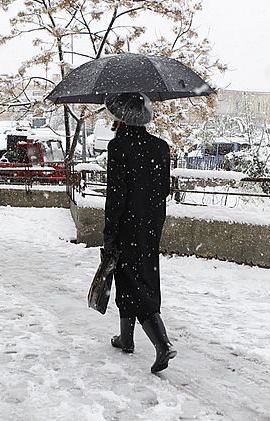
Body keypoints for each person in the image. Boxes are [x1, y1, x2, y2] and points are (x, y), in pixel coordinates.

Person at [102, 92, 176, 373]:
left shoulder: (119, 146)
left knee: (132, 282)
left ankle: (162, 344)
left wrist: (110, 232)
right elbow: (163, 188)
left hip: (126, 224)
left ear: (121, 116)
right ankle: (126, 338)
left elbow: (116, 195)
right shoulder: (160, 147)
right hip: (151, 224)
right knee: (143, 277)